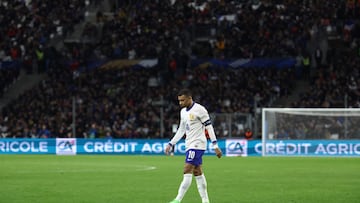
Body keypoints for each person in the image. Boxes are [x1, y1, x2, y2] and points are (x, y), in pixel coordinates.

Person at [165, 88, 222, 203]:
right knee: (197, 172)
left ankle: (177, 199)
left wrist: (215, 145)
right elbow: (181, 130)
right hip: (189, 144)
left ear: (190, 98)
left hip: (198, 144)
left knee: (187, 169)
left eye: (183, 100)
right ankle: (205, 201)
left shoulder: (200, 110)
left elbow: (209, 127)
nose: (181, 103)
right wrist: (171, 143)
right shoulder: (183, 112)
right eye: (179, 101)